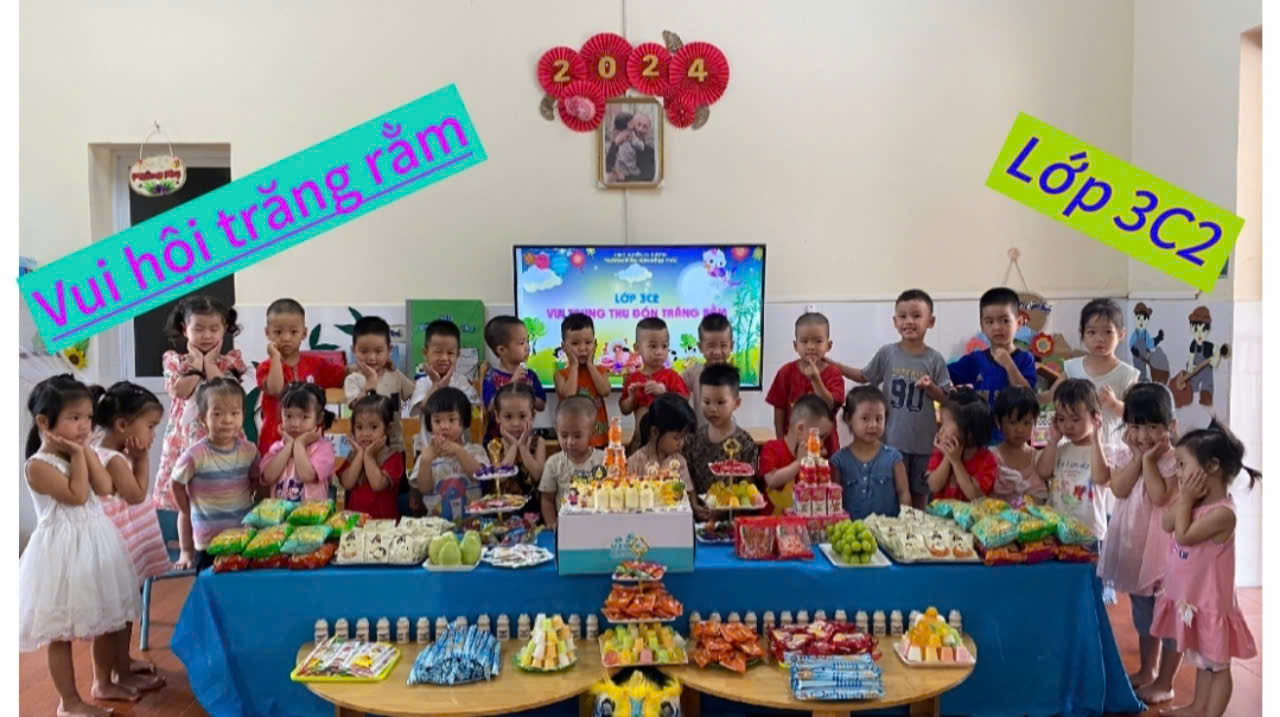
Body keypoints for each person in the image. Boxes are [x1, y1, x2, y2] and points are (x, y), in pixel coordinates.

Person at [19, 375, 145, 715]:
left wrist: (84, 451)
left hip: (95, 542)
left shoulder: (81, 451)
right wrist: (78, 453)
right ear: (44, 423)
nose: (84, 426)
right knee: (59, 633)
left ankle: (103, 682)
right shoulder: (37, 466)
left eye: (88, 417)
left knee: (106, 618)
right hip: (60, 554)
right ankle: (69, 702)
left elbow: (103, 488)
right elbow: (76, 496)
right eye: (74, 418)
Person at [1151, 419, 1259, 717]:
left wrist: (1186, 499)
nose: (1178, 472)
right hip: (1193, 601)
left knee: (1218, 666)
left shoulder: (1223, 514)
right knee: (1202, 659)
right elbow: (1167, 523)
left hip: (1211, 605)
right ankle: (1198, 707)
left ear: (1211, 467)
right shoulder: (1194, 505)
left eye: (1182, 465)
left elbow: (1184, 536)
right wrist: (1185, 499)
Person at [1098, 382, 1181, 706]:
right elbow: (1118, 489)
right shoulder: (1126, 453)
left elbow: (1161, 496)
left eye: (1153, 427)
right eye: (1135, 426)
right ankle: (1148, 670)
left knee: (1170, 615)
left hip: (1164, 552)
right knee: (1144, 614)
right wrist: (1137, 458)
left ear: (1171, 426)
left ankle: (1166, 682)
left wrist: (1148, 461)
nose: (1144, 435)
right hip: (1136, 546)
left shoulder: (1174, 459)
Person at [153, 295, 247, 572]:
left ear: (225, 330)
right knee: (188, 498)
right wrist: (196, 363)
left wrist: (209, 362)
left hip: (224, 441)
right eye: (199, 329)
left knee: (220, 494)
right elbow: (179, 391)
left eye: (214, 329)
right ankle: (187, 551)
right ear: (185, 330)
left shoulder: (231, 361)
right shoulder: (174, 360)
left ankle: (225, 547)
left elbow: (223, 389)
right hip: (186, 442)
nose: (206, 335)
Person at [834, 289, 951, 507]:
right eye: (903, 316)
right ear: (895, 321)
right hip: (892, 442)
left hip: (924, 443)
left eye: (916, 316)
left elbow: (946, 397)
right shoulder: (887, 353)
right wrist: (836, 366)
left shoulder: (935, 359)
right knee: (893, 493)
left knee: (919, 496)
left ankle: (915, 528)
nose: (909, 321)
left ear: (931, 321)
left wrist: (931, 387)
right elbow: (864, 376)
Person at [89, 381, 169, 689]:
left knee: (124, 613)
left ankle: (122, 665)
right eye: (150, 426)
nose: (152, 435)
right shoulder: (112, 459)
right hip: (113, 552)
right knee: (111, 620)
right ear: (122, 425)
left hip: (122, 550)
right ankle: (105, 681)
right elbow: (136, 495)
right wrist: (141, 460)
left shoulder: (107, 451)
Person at [170, 378, 259, 571]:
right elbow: (176, 484)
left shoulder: (250, 451)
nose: (227, 420)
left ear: (243, 415)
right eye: (217, 414)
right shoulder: (194, 455)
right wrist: (186, 510)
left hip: (242, 538)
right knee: (210, 583)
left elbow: (256, 479)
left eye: (234, 413)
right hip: (208, 542)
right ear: (203, 418)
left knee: (242, 583)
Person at [1043, 299, 1139, 447]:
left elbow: (1137, 416)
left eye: (1108, 332)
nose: (1099, 339)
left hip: (1111, 448)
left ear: (1121, 334)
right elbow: (1050, 396)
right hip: (1075, 446)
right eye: (1091, 332)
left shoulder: (1127, 374)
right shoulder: (1072, 367)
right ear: (1082, 334)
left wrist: (1114, 404)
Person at [256, 298, 347, 454]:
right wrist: (276, 358)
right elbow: (276, 389)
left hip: (310, 445)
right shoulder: (265, 367)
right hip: (274, 444)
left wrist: (367, 365)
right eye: (278, 332)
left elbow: (344, 375)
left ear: (304, 333)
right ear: (267, 333)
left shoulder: (317, 364)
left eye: (293, 332)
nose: (286, 338)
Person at [947, 287, 1037, 443]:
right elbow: (942, 373)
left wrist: (1009, 365)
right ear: (982, 326)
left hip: (1013, 440)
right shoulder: (975, 359)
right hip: (980, 439)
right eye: (989, 321)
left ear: (1019, 323)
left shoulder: (1025, 359)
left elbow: (1027, 398)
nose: (997, 327)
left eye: (1005, 320)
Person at [1037, 379, 1112, 540]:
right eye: (1061, 419)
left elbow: (1102, 478)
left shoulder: (1104, 451)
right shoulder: (1059, 449)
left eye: (1075, 419)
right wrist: (1052, 441)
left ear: (1095, 417)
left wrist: (1096, 440)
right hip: (1055, 530)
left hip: (1089, 533)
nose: (1068, 426)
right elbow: (1043, 472)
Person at [682, 364, 759, 519]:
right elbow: (687, 478)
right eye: (707, 402)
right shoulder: (693, 440)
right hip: (697, 518)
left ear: (736, 403)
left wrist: (723, 509)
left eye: (720, 402)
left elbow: (747, 489)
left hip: (731, 520)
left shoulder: (745, 443)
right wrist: (694, 504)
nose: (712, 409)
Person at [766, 312, 845, 458]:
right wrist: (781, 445)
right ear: (795, 345)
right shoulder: (785, 372)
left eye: (818, 341)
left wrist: (816, 380)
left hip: (826, 450)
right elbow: (779, 413)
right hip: (793, 448)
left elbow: (831, 405)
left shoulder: (834, 373)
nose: (811, 347)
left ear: (829, 345)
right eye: (804, 341)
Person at [830, 386, 910, 520]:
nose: (873, 425)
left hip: (888, 531)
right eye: (865, 418)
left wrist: (906, 522)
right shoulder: (838, 461)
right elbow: (834, 500)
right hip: (851, 531)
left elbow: (904, 493)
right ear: (849, 418)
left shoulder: (894, 458)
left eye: (879, 419)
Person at [412, 386, 488, 520]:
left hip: (472, 523)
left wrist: (459, 451)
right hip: (436, 525)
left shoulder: (475, 451)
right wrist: (426, 461)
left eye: (451, 420)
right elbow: (424, 489)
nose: (444, 426)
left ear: (464, 422)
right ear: (430, 425)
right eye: (437, 421)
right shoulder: (426, 455)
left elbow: (479, 476)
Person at [408, 319, 483, 452]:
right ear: (425, 353)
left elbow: (475, 409)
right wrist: (436, 386)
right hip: (430, 450)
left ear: (458, 355)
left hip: (459, 451)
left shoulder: (462, 382)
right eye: (438, 352)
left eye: (450, 353)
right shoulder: (422, 383)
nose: (444, 358)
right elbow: (423, 407)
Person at [343, 315, 415, 452]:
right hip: (364, 448)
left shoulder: (395, 375)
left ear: (389, 350)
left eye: (378, 351)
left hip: (394, 447)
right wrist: (370, 383)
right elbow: (356, 407)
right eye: (364, 351)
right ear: (354, 351)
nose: (371, 357)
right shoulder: (353, 380)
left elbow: (415, 394)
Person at [620, 317, 690, 451]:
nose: (659, 352)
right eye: (653, 346)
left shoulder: (672, 376)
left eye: (664, 346)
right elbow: (624, 410)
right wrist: (631, 398)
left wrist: (664, 394)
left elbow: (684, 402)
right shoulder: (633, 378)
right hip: (640, 444)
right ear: (637, 348)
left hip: (667, 446)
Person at [260, 382, 337, 503]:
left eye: (304, 417)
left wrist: (299, 444)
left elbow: (307, 476)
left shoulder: (324, 449)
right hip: (279, 514)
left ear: (319, 418)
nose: (295, 424)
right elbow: (268, 477)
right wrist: (288, 446)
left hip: (311, 514)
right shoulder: (277, 448)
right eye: (288, 416)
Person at [759, 394, 835, 515]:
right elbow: (772, 480)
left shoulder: (815, 457)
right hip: (773, 521)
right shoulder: (771, 448)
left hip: (803, 521)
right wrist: (799, 462)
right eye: (820, 437)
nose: (821, 443)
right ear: (800, 429)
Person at [539, 396, 606, 528]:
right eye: (564, 435)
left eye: (577, 436)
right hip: (566, 529)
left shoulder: (604, 460)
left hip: (598, 526)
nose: (570, 442)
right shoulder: (554, 463)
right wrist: (552, 524)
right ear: (556, 430)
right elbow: (547, 500)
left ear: (592, 433)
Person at [338, 392, 406, 520]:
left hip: (384, 524)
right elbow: (347, 483)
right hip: (355, 523)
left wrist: (368, 457)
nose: (365, 434)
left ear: (388, 429)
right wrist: (360, 454)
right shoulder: (353, 455)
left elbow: (377, 485)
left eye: (373, 427)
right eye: (359, 427)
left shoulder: (393, 457)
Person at [482, 315, 547, 444]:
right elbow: (490, 407)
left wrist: (527, 392)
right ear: (502, 350)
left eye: (527, 341)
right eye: (521, 343)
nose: (527, 347)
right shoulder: (491, 376)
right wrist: (511, 383)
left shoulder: (530, 375)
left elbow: (541, 405)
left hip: (525, 440)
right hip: (497, 442)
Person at [925, 388, 998, 500]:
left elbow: (974, 496)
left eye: (945, 424)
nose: (941, 430)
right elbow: (934, 486)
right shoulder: (941, 452)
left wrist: (956, 462)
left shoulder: (987, 460)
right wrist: (947, 458)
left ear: (969, 432)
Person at [554, 312, 611, 447]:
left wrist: (590, 365)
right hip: (573, 443)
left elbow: (605, 391)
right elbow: (569, 396)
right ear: (564, 347)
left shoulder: (601, 370)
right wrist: (574, 366)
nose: (582, 348)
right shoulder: (561, 374)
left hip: (599, 439)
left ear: (595, 344)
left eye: (588, 343)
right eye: (575, 343)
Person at [626, 392, 696, 495]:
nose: (681, 443)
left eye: (684, 437)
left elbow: (687, 493)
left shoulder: (679, 462)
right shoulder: (635, 462)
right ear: (655, 432)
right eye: (676, 438)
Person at [489, 382, 548, 502]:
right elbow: (500, 479)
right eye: (508, 417)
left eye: (522, 416)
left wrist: (522, 447)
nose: (515, 423)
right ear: (497, 417)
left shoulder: (538, 442)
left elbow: (538, 476)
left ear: (533, 415)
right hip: (503, 509)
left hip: (533, 509)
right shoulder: (494, 445)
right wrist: (513, 447)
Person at [990, 386, 1047, 507]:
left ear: (1035, 422)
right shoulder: (991, 458)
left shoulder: (1039, 459)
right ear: (998, 421)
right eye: (1012, 422)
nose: (1020, 429)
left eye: (1027, 423)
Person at [682, 312, 733, 429]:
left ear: (731, 346)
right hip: (700, 434)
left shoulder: (731, 375)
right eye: (711, 346)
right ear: (700, 347)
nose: (717, 352)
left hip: (725, 434)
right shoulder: (693, 373)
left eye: (723, 345)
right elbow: (676, 391)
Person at [1129, 302, 1164, 381]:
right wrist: (1133, 349)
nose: (1141, 322)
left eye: (1144, 319)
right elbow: (1131, 343)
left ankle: (1143, 379)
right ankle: (1140, 380)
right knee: (1139, 369)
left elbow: (1150, 344)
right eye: (1139, 319)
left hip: (1143, 355)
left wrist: (1158, 338)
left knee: (1144, 368)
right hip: (1138, 356)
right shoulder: (1136, 333)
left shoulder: (1145, 334)